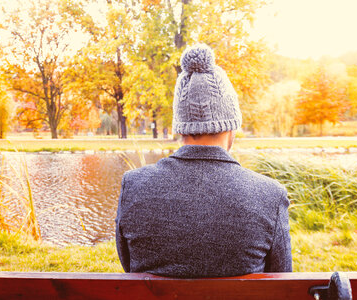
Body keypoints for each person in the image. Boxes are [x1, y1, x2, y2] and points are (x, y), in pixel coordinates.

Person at [115, 44, 292, 278]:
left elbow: (128, 264)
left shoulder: (134, 185)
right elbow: (281, 278)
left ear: (181, 128)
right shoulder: (270, 195)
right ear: (231, 127)